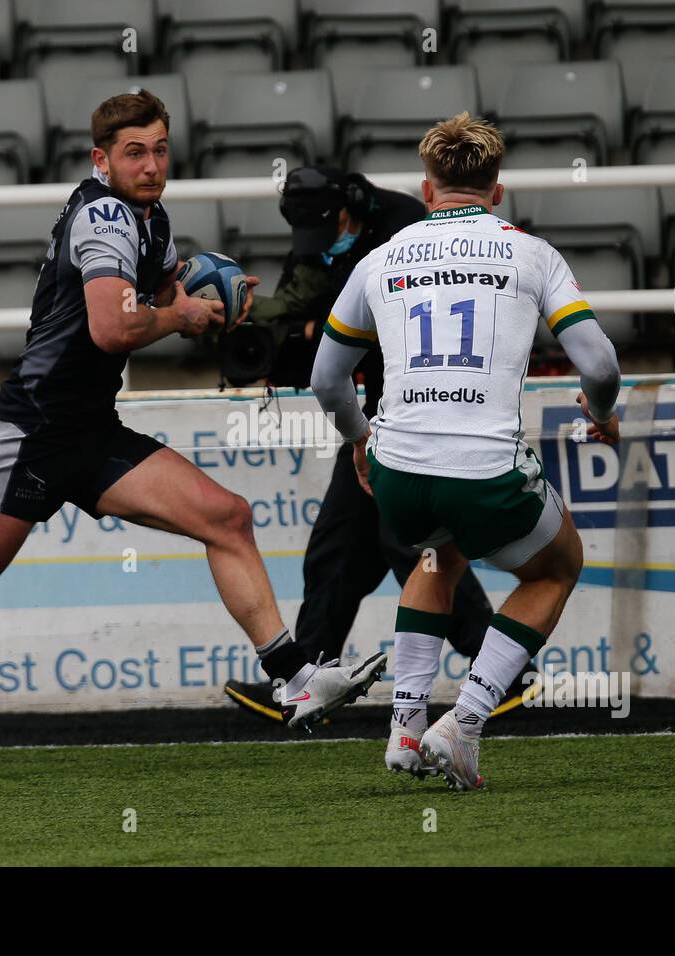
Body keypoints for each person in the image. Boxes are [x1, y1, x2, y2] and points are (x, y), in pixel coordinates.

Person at [0, 90, 387, 781]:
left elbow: (158, 297)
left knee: (228, 517)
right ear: (102, 159)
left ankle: (293, 678)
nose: (151, 164)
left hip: (91, 430)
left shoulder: (151, 220)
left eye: (160, 149)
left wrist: (214, 296)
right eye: (135, 152)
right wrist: (182, 315)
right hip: (34, 430)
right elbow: (112, 326)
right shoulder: (103, 214)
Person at [310, 112, 622, 790]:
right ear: (497, 191)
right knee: (556, 566)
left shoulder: (380, 258)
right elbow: (598, 365)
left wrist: (360, 442)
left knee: (437, 551)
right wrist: (602, 416)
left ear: (427, 191)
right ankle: (466, 720)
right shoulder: (528, 252)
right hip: (485, 467)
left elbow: (325, 380)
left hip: (398, 469)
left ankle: (403, 726)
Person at [222, 166, 540, 723]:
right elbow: (313, 350)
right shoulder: (315, 244)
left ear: (349, 208)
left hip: (416, 407)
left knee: (405, 545)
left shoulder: (402, 224)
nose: (320, 247)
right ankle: (307, 677)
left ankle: (504, 675)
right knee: (340, 549)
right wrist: (278, 334)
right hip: (375, 411)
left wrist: (313, 334)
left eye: (330, 230)